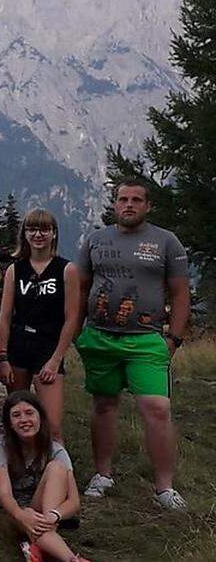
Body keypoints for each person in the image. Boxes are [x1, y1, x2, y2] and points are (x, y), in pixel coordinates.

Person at [75, 178, 190, 510]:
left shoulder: (166, 242)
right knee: (103, 405)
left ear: (148, 205)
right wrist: (79, 332)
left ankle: (165, 487)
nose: (129, 204)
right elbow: (81, 289)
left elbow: (181, 293)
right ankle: (102, 475)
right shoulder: (95, 240)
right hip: (99, 336)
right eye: (122, 199)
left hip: (146, 340)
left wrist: (174, 339)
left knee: (158, 408)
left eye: (136, 200)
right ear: (114, 204)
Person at [0, 208, 80, 441]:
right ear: (24, 234)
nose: (38, 234)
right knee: (18, 419)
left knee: (52, 425)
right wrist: (2, 358)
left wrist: (55, 360)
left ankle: (59, 472)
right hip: (18, 345)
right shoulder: (15, 270)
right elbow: (4, 316)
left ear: (54, 234)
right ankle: (19, 470)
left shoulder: (66, 269)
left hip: (48, 346)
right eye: (32, 229)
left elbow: (71, 318)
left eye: (44, 229)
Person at [0, 391, 90, 562]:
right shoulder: (0, 444)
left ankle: (44, 551)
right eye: (16, 415)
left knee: (57, 468)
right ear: (10, 423)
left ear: (40, 418)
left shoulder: (56, 450)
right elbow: (4, 494)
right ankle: (71, 559)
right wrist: (22, 515)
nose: (24, 420)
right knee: (34, 523)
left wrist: (53, 516)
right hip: (9, 512)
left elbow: (74, 502)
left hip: (43, 510)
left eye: (29, 413)